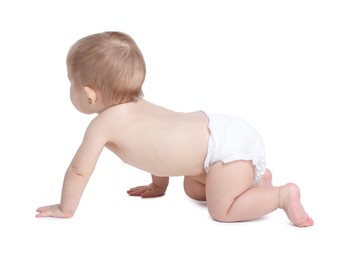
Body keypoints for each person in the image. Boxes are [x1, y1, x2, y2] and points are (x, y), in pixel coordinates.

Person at [36, 31, 313, 227]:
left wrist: (65, 207)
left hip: (223, 149)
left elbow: (79, 170)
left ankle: (281, 195)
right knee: (193, 188)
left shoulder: (103, 125)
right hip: (221, 136)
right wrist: (158, 185)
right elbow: (159, 147)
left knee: (222, 210)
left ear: (89, 95)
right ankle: (254, 180)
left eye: (70, 81)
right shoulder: (139, 107)